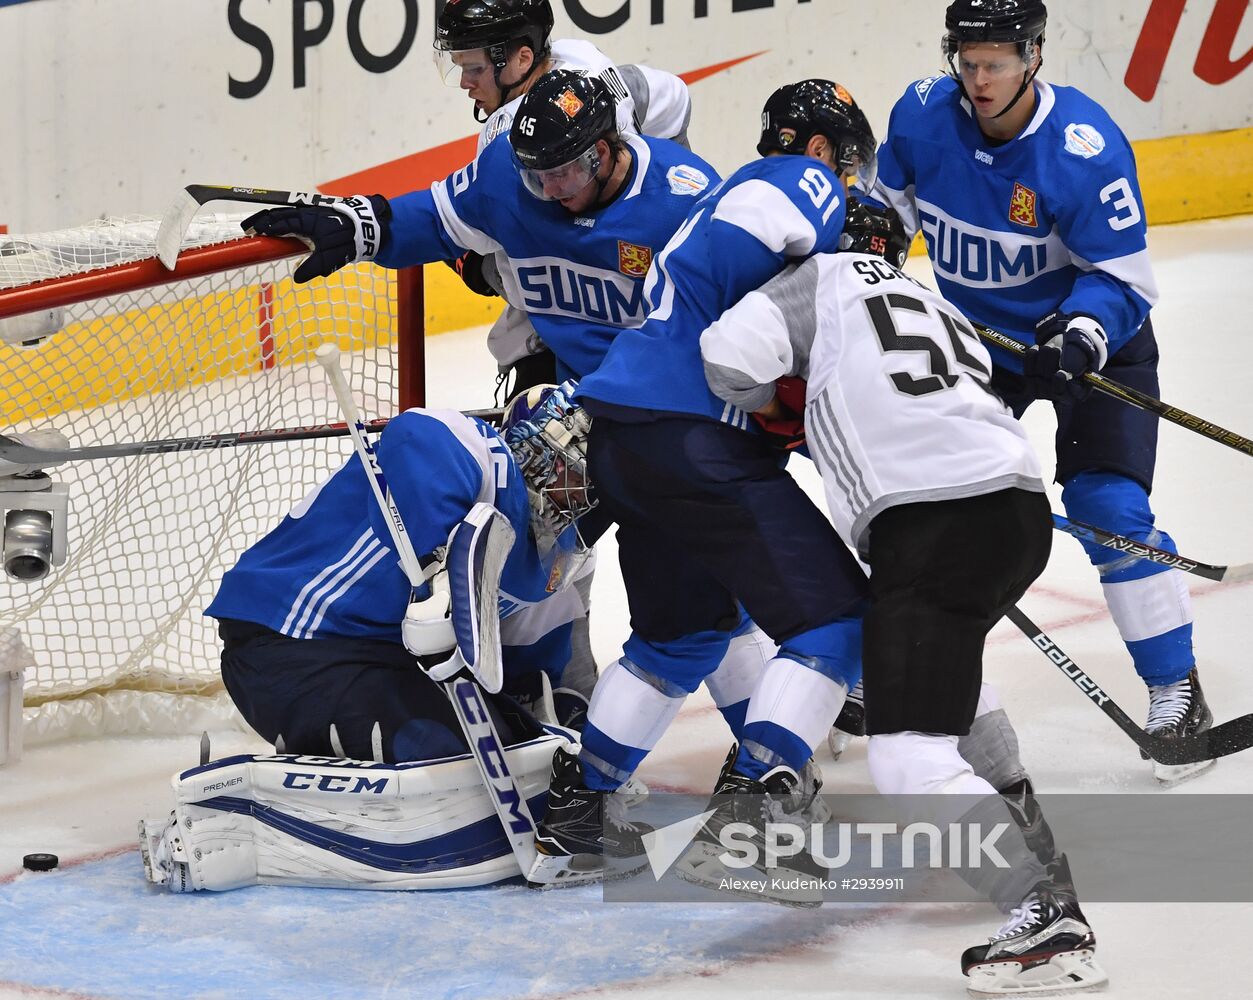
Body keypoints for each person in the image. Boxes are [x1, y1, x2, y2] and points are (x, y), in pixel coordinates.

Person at [239, 71, 799, 886]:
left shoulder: (683, 197)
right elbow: (431, 219)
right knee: (556, 562)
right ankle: (564, 716)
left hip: (676, 418)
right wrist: (359, 226)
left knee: (708, 606)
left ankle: (769, 775)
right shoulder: (511, 175)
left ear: (609, 148)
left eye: (567, 170)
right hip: (577, 425)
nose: (551, 189)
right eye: (538, 175)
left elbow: (745, 330)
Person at [699, 205, 1107, 994]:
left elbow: (725, 357)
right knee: (942, 670)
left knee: (904, 751)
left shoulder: (813, 279)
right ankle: (1025, 834)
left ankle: (1043, 913)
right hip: (1012, 507)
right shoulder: (927, 298)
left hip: (931, 521)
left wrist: (780, 409)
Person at [522, 80, 881, 894]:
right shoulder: (795, 179)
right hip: (693, 438)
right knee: (835, 618)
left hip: (623, 438)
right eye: (844, 168)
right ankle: (752, 820)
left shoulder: (717, 201)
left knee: (677, 639)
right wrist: (843, 258)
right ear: (819, 150)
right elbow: (778, 273)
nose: (845, 187)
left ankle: (576, 822)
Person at [862, 0, 1213, 783]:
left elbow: (1122, 280)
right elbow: (882, 220)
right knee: (927, 514)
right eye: (967, 62)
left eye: (995, 63)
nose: (978, 80)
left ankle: (1176, 690)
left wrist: (1080, 332)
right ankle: (908, 674)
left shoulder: (1081, 149)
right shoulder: (921, 117)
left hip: (1086, 346)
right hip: (975, 347)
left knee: (1106, 509)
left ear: (1033, 56)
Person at [140, 388, 597, 892]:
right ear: (530, 447)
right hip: (290, 642)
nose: (576, 486)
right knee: (433, 751)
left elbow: (541, 678)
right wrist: (441, 572)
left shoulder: (560, 557)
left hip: (386, 661)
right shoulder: (475, 455)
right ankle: (232, 824)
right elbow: (415, 435)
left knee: (518, 747)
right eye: (568, 462)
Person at [433, 0, 691, 401]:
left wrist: (475, 267)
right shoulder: (586, 64)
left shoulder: (506, 137)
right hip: (643, 324)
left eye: (475, 68)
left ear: (522, 59)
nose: (466, 82)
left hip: (560, 341)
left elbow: (519, 279)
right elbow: (672, 97)